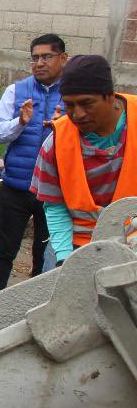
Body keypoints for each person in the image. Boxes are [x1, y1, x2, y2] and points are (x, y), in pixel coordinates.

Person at [0, 34, 67, 291]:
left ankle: (33, 303)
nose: (39, 63)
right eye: (35, 58)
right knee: (4, 250)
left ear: (63, 59)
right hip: (16, 187)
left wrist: (62, 126)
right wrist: (20, 122)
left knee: (43, 255)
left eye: (46, 57)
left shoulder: (74, 94)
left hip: (53, 191)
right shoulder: (16, 91)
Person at [32, 55, 135, 260]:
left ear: (110, 96)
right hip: (74, 242)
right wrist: (64, 259)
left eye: (87, 103)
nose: (77, 114)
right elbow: (55, 205)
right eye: (69, 105)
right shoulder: (57, 143)